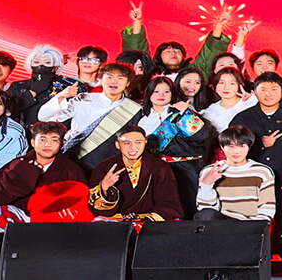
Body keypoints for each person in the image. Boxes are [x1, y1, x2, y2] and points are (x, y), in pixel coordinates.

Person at [0, 122, 88, 277]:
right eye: (42, 139)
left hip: (53, 218)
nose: (47, 144)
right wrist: (23, 175)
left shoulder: (72, 169)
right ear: (32, 142)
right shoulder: (18, 164)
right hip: (24, 214)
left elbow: (80, 198)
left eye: (54, 140)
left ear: (62, 143)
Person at [135, 76, 211, 206]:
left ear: (173, 94)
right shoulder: (141, 119)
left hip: (186, 168)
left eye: (166, 91)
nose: (161, 95)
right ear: (149, 93)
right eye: (156, 91)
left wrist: (185, 113)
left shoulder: (182, 113)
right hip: (156, 168)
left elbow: (202, 136)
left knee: (186, 204)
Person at [87, 125, 185, 221]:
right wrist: (104, 187)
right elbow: (95, 209)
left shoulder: (160, 167)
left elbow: (169, 203)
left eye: (138, 142)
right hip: (114, 221)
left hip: (148, 220)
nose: (133, 147)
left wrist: (147, 220)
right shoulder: (104, 167)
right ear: (117, 145)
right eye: (126, 143)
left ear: (145, 142)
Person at [229, 72, 282, 177]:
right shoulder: (242, 119)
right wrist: (260, 144)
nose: (268, 94)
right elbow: (232, 151)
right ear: (255, 92)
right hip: (251, 177)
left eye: (274, 89)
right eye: (263, 90)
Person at [194, 126, 278, 223]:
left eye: (241, 146)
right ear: (222, 147)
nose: (236, 151)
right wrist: (206, 185)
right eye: (231, 146)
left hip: (248, 224)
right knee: (205, 214)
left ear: (249, 146)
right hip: (221, 223)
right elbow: (205, 210)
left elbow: (267, 208)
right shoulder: (210, 171)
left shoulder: (262, 172)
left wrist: (254, 228)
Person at [200, 68, 258, 132]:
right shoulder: (211, 111)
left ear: (240, 86)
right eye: (222, 83)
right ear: (215, 86)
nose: (226, 87)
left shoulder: (252, 103)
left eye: (232, 83)